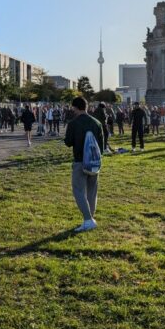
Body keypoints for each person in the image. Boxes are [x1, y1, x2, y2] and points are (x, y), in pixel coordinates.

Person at [64, 97, 104, 232]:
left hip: (80, 161)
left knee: (78, 190)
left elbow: (68, 142)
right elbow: (101, 145)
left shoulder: (73, 123)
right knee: (92, 191)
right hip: (94, 161)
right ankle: (90, 218)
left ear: (75, 107)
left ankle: (88, 220)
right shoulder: (97, 123)